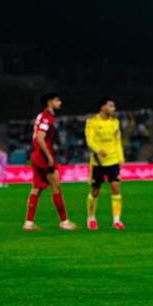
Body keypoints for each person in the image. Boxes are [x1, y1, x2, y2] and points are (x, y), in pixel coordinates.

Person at [24, 92, 78, 231]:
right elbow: (40, 138)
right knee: (56, 187)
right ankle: (64, 222)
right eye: (57, 100)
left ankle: (28, 223)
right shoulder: (47, 117)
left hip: (36, 155)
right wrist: (49, 157)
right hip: (43, 156)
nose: (60, 102)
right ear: (50, 102)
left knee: (36, 189)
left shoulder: (41, 116)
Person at [85, 97, 125, 230]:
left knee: (116, 187)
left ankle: (117, 220)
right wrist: (98, 150)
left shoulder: (115, 122)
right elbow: (90, 140)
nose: (113, 109)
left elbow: (117, 141)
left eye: (114, 106)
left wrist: (120, 158)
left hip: (113, 160)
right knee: (95, 191)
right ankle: (91, 217)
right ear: (103, 107)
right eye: (111, 106)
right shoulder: (92, 122)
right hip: (98, 162)